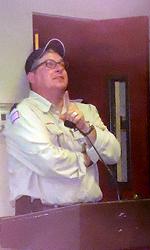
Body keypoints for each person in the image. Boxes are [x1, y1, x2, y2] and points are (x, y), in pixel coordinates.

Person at [4, 38, 121, 215]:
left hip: (90, 213)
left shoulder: (86, 110)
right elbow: (47, 161)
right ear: (31, 77)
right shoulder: (23, 114)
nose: (59, 68)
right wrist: (86, 159)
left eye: (61, 64)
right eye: (49, 64)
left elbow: (113, 154)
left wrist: (85, 127)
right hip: (43, 218)